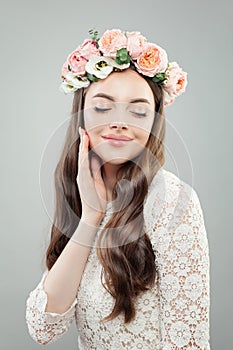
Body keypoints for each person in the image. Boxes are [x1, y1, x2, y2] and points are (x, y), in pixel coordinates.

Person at [25, 28, 210, 349]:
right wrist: (91, 215)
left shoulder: (172, 201)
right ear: (81, 116)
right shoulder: (81, 192)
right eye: (103, 107)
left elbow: (187, 342)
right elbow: (43, 329)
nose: (120, 121)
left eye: (138, 110)